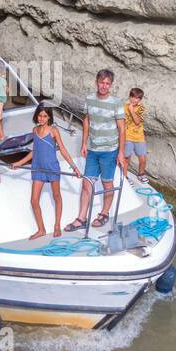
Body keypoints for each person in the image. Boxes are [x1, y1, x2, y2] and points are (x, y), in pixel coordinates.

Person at [65, 67, 126, 231]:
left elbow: (122, 129)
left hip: (110, 151)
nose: (104, 86)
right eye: (102, 82)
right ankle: (81, 218)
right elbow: (86, 121)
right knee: (87, 184)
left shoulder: (117, 102)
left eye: (107, 83)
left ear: (111, 85)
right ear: (96, 82)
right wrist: (84, 143)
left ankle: (104, 213)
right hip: (93, 149)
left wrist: (120, 153)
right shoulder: (90, 99)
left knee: (107, 184)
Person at [10, 104, 81, 239]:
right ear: (36, 116)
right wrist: (19, 163)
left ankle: (56, 226)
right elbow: (34, 151)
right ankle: (41, 229)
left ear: (49, 117)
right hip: (38, 168)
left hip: (52, 168)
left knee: (56, 196)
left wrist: (75, 168)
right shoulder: (34, 130)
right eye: (40, 115)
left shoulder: (53, 131)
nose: (42, 119)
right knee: (34, 200)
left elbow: (63, 150)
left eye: (45, 116)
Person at [123, 86, 147, 176]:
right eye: (132, 97)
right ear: (129, 97)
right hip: (127, 136)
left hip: (139, 137)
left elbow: (137, 122)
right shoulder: (123, 107)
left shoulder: (141, 108)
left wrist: (131, 110)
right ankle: (124, 177)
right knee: (126, 158)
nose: (134, 100)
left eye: (137, 98)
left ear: (140, 99)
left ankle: (141, 175)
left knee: (142, 159)